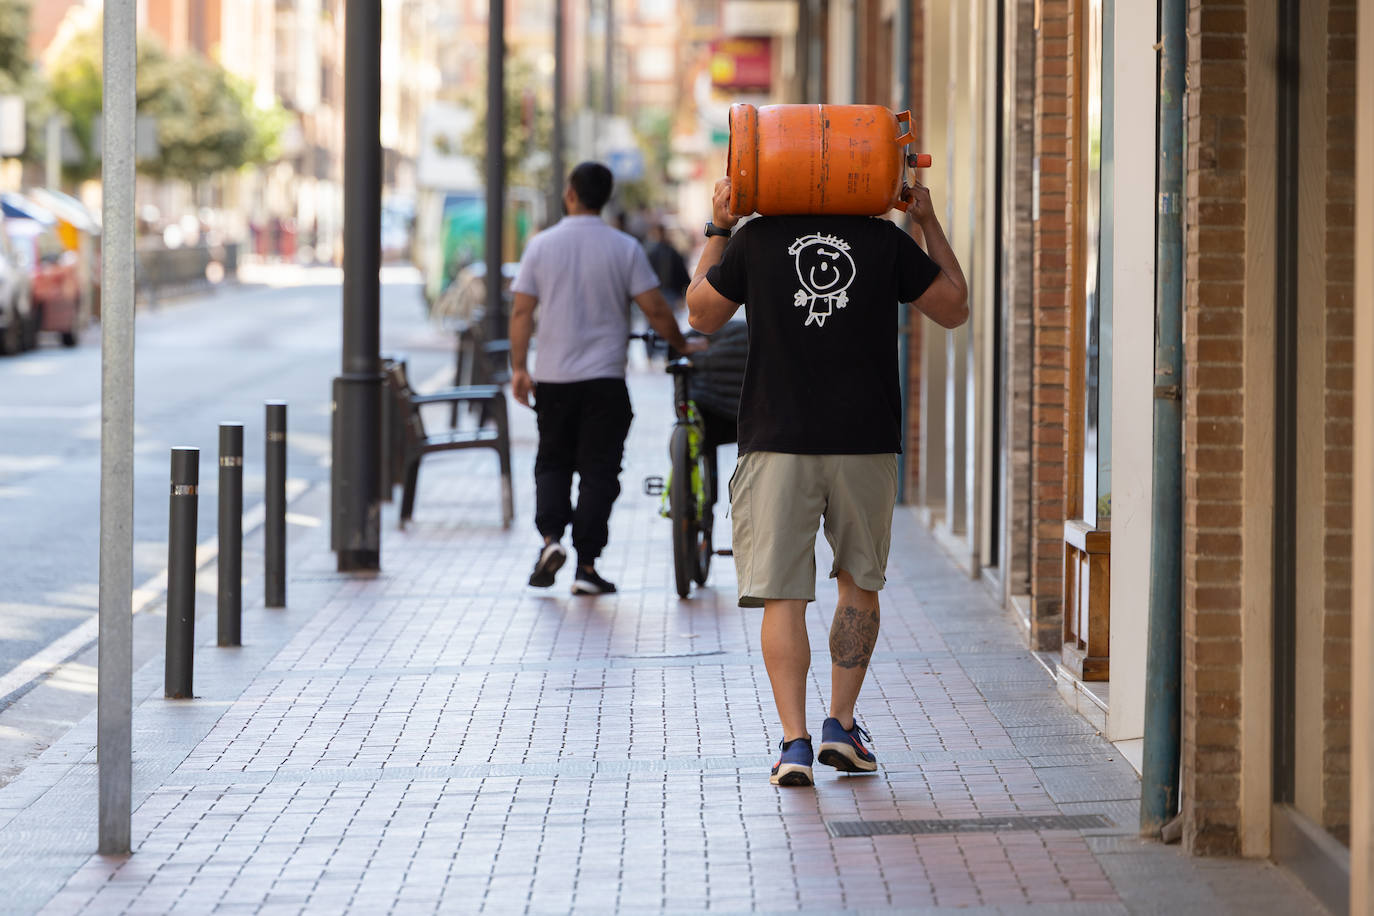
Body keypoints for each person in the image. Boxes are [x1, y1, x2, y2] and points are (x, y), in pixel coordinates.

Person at [685, 177, 968, 786]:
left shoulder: (755, 241)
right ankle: (841, 724)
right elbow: (954, 306)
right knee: (858, 583)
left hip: (776, 439)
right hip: (864, 440)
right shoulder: (881, 240)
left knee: (784, 595)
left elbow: (701, 314)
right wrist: (927, 221)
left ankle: (794, 744)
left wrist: (719, 226)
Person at [509, 162, 704, 595]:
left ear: (570, 194)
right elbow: (655, 308)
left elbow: (522, 311)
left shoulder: (541, 246)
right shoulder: (624, 248)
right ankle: (587, 566)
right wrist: (681, 345)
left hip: (553, 380)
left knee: (553, 462)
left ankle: (550, 540)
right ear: (605, 197)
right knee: (600, 472)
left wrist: (520, 368)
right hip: (604, 381)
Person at [643, 223, 691, 311]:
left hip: (658, 293)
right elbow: (682, 273)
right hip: (671, 293)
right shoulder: (671, 251)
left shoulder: (651, 252)